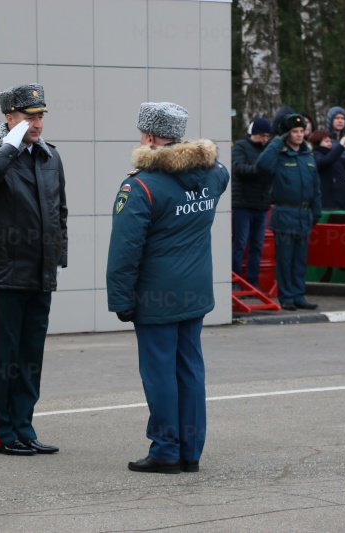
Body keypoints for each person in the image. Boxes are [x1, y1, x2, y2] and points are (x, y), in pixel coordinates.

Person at [107, 102, 229, 474]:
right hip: (195, 292)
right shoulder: (213, 174)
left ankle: (165, 449)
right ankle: (190, 451)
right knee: (190, 369)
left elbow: (125, 250)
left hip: (156, 296)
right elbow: (219, 175)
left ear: (148, 137)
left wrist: (121, 298)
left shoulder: (140, 185)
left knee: (160, 372)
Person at [0, 83, 67, 456]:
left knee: (30, 359)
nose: (36, 123)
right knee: (3, 359)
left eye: (40, 115)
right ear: (9, 118)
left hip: (41, 273)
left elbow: (60, 212)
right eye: (28, 116)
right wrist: (10, 145)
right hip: (4, 273)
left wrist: (58, 254)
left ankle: (24, 427)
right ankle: (1, 434)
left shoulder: (50, 157)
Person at [256, 114, 321, 311]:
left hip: (304, 214)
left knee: (300, 259)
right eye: (294, 131)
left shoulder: (307, 156)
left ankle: (299, 295)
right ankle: (287, 297)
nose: (300, 135)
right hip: (285, 212)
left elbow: (315, 187)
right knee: (285, 259)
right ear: (287, 134)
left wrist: (316, 211)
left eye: (302, 131)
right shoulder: (278, 155)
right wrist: (278, 141)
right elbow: (262, 165)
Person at [231, 118, 272, 287]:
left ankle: (253, 282)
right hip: (243, 204)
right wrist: (260, 168)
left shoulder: (267, 149)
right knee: (240, 244)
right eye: (262, 136)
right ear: (253, 134)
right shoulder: (240, 147)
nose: (264, 139)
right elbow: (239, 168)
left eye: (267, 136)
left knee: (257, 245)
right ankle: (235, 279)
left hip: (261, 205)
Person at [309, 129, 345, 210]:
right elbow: (325, 162)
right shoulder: (315, 155)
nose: (329, 143)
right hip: (325, 203)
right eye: (326, 141)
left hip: (341, 202)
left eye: (330, 141)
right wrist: (341, 146)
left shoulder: (334, 156)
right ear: (317, 142)